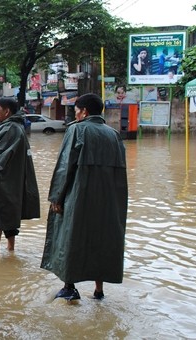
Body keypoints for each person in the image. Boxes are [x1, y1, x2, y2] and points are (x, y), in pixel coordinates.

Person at [41, 93, 127, 302]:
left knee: (70, 236)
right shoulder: (114, 135)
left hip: (79, 196)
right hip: (109, 199)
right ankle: (99, 291)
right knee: (103, 238)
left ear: (84, 112)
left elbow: (65, 166)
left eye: (76, 110)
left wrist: (56, 198)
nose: (75, 114)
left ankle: (69, 287)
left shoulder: (77, 129)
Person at [0, 97, 40, 258]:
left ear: (7, 111)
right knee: (9, 216)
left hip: (1, 180)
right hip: (11, 180)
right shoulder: (14, 127)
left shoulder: (9, 128)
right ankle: (11, 250)